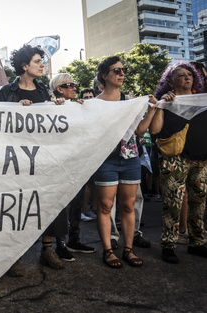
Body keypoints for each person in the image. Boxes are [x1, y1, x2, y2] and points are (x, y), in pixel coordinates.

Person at [0, 44, 66, 274]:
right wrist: (15, 108)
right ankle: (13, 256)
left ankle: (47, 250)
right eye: (37, 61)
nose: (42, 65)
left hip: (41, 158)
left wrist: (57, 108)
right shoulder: (7, 92)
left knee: (44, 201)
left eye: (42, 61)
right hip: (15, 160)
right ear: (25, 66)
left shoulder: (44, 92)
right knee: (15, 204)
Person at [93, 56, 158, 269]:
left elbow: (140, 131)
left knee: (129, 206)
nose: (122, 74)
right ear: (104, 75)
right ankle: (109, 251)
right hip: (105, 160)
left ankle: (128, 249)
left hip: (130, 158)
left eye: (123, 70)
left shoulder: (131, 101)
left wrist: (151, 110)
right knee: (105, 206)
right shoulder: (94, 104)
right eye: (116, 70)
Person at [150, 62, 207, 263]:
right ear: (171, 82)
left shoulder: (201, 101)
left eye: (189, 74)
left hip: (200, 159)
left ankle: (197, 243)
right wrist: (161, 106)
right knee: (172, 204)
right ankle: (168, 245)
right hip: (174, 159)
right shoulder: (166, 102)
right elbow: (155, 131)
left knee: (198, 203)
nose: (187, 77)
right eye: (181, 75)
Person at [48, 73, 96, 256]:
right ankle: (60, 245)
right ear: (59, 89)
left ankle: (74, 240)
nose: (74, 88)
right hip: (59, 164)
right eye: (70, 85)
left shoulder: (79, 107)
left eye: (74, 84)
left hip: (78, 162)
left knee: (77, 203)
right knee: (60, 205)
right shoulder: (50, 107)